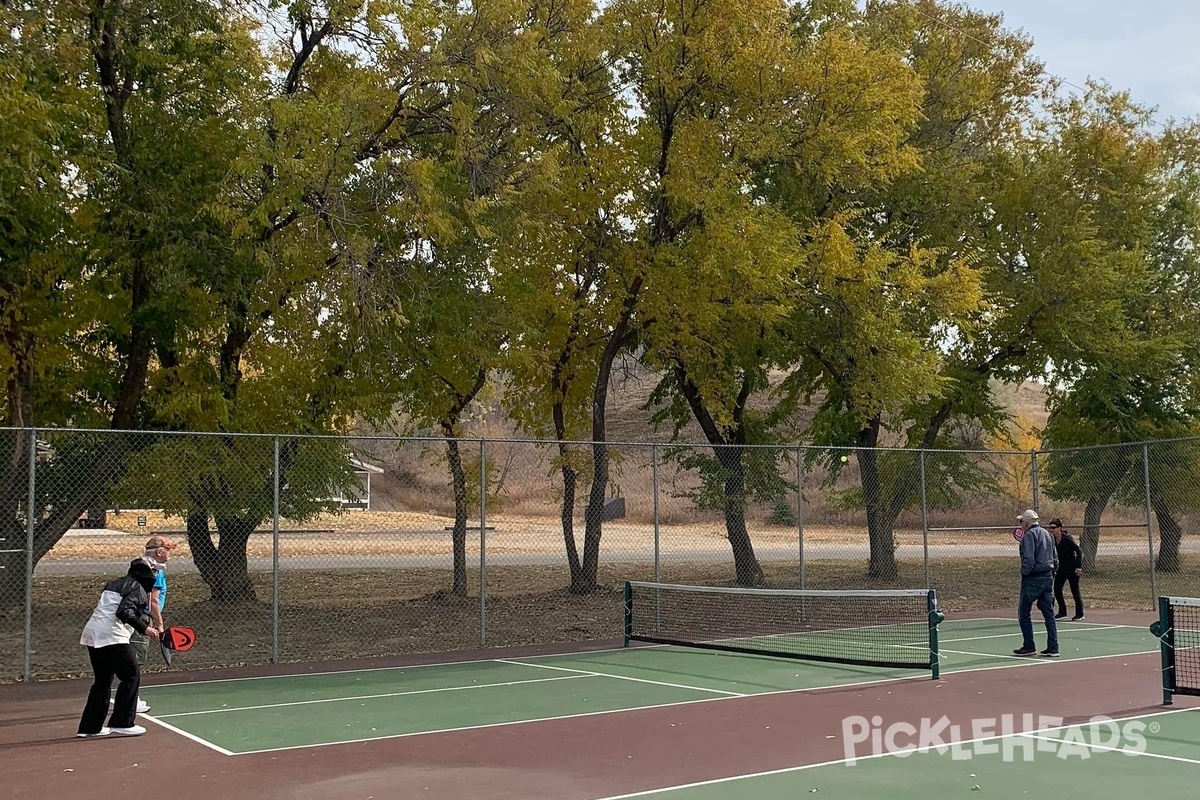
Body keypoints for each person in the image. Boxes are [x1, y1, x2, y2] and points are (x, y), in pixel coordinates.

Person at [77, 557, 161, 738]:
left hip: (93, 633)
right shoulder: (136, 588)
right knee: (131, 675)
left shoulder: (114, 583)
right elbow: (124, 611)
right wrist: (145, 628)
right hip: (112, 636)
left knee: (103, 681)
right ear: (147, 573)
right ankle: (123, 722)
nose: (154, 575)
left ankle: (90, 727)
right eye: (153, 571)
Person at [129, 535, 175, 713]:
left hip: (135, 617)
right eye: (168, 550)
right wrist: (160, 624)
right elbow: (152, 602)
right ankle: (133, 700)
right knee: (136, 660)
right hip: (143, 618)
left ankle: (129, 697)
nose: (170, 554)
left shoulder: (139, 566)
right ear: (160, 551)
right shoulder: (156, 572)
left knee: (130, 659)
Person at [1013, 509, 1060, 657]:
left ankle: (1029, 645)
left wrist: (1025, 572)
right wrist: (1052, 573)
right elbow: (1055, 557)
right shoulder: (1047, 534)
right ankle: (1053, 646)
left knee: (1024, 612)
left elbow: (1029, 559)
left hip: (1033, 578)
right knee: (1049, 613)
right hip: (1048, 576)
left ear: (1026, 522)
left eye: (1021, 522)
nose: (1021, 525)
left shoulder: (1029, 536)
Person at [1048, 518, 1085, 621]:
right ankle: (1062, 612)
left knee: (1075, 591)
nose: (1051, 530)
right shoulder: (1052, 540)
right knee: (1057, 589)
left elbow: (1078, 551)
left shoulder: (1068, 539)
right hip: (1061, 569)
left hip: (1072, 569)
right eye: (1050, 528)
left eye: (1054, 528)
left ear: (1060, 528)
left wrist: (1079, 566)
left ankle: (1080, 614)